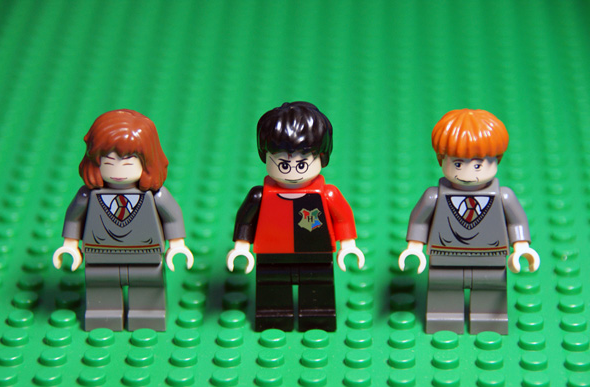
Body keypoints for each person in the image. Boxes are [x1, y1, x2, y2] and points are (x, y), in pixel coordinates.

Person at [398, 109, 540, 334]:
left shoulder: (503, 197)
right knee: (443, 294)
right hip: (445, 258)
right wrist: (414, 248)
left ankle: (489, 321)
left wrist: (522, 247)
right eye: (457, 164)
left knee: (490, 293)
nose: (466, 173)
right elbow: (419, 222)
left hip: (491, 259)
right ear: (441, 159)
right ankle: (443, 319)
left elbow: (516, 223)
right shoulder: (434, 196)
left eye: (477, 166)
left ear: (497, 160)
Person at [227, 102, 365, 331]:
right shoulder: (260, 195)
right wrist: (241, 248)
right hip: (272, 255)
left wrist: (348, 246)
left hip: (316, 254)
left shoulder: (327, 194)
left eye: (301, 164)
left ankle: (317, 317)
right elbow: (245, 219)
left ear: (322, 157)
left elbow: (342, 217)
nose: (291, 171)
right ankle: (273, 317)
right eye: (282, 164)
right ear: (265, 156)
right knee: (272, 290)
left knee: (318, 288)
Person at [53, 109, 193, 331]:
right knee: (102, 289)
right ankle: (103, 315)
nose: (118, 170)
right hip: (100, 256)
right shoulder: (88, 195)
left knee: (148, 289)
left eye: (127, 163)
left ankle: (148, 315)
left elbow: (172, 217)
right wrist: (70, 246)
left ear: (147, 162)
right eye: (109, 162)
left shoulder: (156, 195)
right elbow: (74, 217)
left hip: (146, 255)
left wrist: (177, 245)